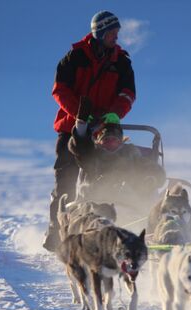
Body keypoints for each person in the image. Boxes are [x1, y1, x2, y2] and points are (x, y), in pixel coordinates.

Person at [43, 11, 136, 251]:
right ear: (100, 33)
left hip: (104, 132)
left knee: (100, 181)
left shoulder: (121, 61)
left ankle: (98, 232)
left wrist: (114, 113)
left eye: (117, 33)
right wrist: (81, 115)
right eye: (112, 33)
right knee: (65, 181)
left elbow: (128, 93)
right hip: (70, 129)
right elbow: (59, 90)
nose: (116, 37)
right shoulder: (75, 57)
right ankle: (57, 232)